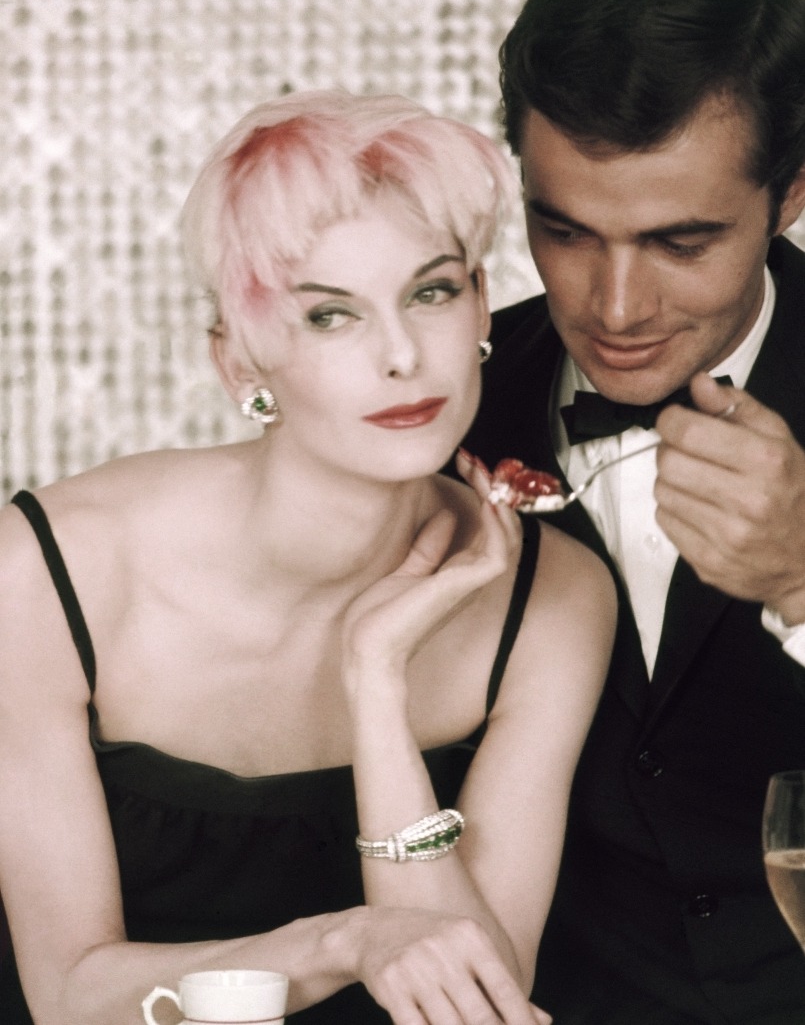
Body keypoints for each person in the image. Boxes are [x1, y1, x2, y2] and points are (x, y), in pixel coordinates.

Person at [0, 90, 615, 1024]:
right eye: (331, 317)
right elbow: (68, 991)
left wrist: (376, 683)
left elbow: (481, 999)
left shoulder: (554, 600)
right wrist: (342, 942)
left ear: (483, 304)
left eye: (431, 291)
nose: (402, 355)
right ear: (239, 361)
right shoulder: (44, 573)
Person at [460, 0, 805, 1021]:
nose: (614, 306)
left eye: (678, 241)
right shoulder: (436, 414)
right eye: (564, 232)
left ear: (789, 194)